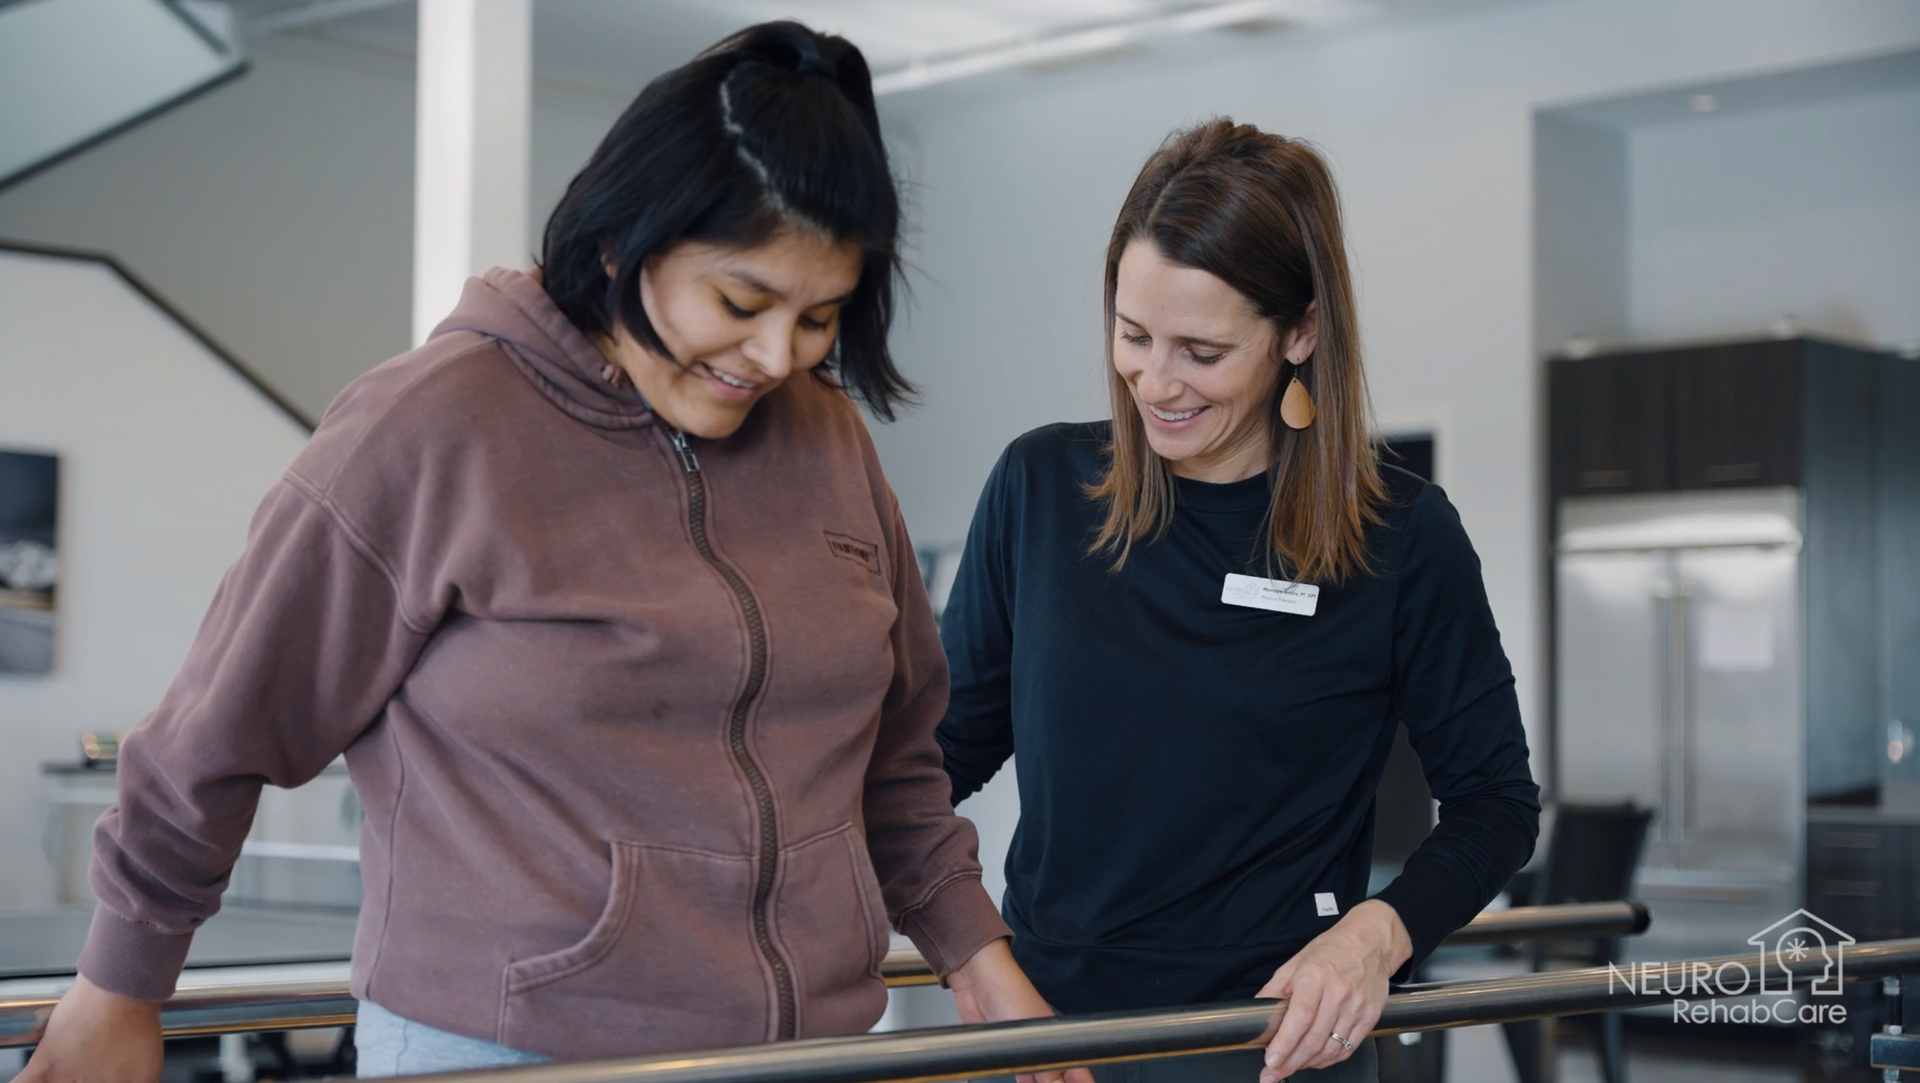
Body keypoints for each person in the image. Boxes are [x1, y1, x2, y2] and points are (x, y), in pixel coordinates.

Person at [19, 21, 1078, 1083]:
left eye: (820, 318)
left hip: (803, 1055)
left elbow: (893, 758)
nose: (775, 356)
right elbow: (219, 728)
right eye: (742, 303)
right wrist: (122, 983)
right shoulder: (431, 428)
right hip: (506, 1051)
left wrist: (976, 959)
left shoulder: (828, 439)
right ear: (624, 242)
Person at [937, 120, 1542, 1083]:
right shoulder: (1040, 487)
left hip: (1276, 1044)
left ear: (1299, 331)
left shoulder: (1400, 535)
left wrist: (1376, 936)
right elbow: (937, 752)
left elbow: (1495, 804)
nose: (1155, 381)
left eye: (1202, 351)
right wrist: (970, 951)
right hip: (1051, 1036)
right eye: (1132, 336)